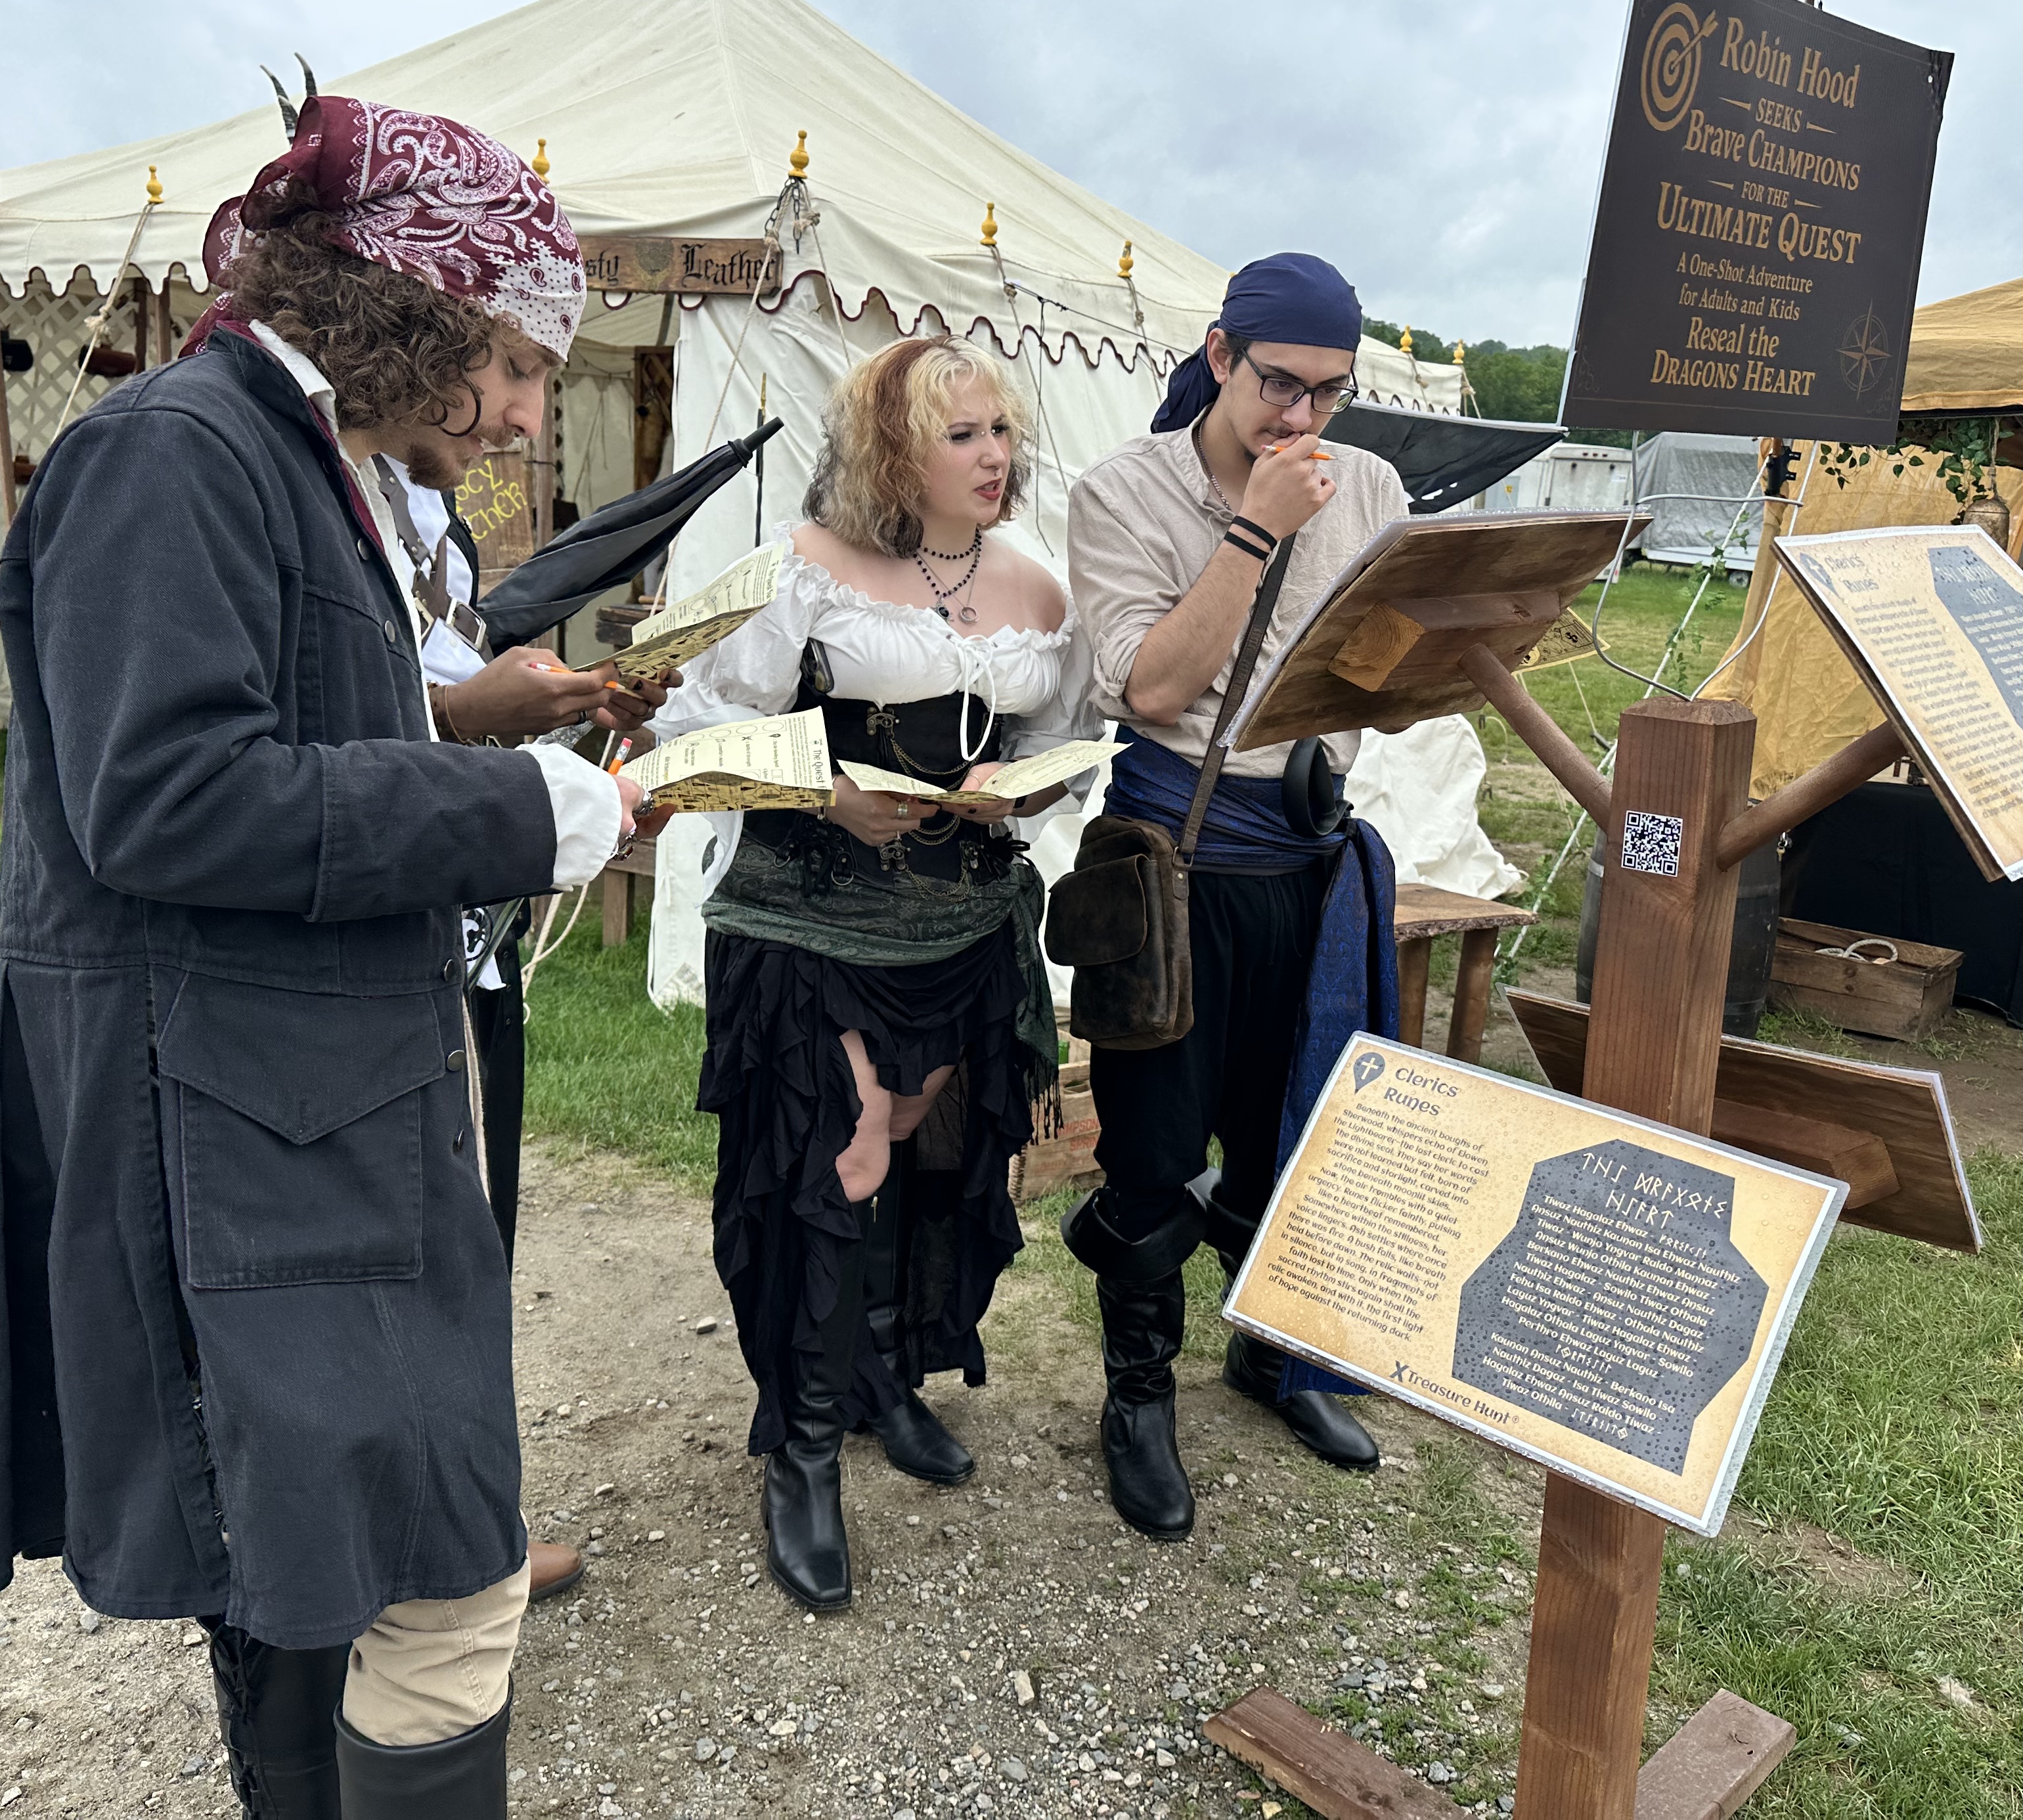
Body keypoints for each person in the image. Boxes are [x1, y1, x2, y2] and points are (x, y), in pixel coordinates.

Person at [0, 94, 667, 1820]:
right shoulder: (172, 454)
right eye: (503, 358)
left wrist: (503, 774)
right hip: (227, 1133)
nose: (513, 411)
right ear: (398, 304)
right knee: (308, 1584)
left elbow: (308, 741)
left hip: (316, 1106)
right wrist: (505, 814)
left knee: (392, 1567)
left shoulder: (296, 462)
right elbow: (168, 800)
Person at [647, 334, 1088, 1611]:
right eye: (964, 435)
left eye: (1002, 430)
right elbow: (693, 726)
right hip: (812, 924)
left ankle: (886, 1378)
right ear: (896, 450)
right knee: (832, 1172)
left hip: (958, 927)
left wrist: (1018, 798)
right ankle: (802, 1444)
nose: (995, 454)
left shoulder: (1033, 588)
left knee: (922, 1161)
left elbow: (1062, 738)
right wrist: (826, 791)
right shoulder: (805, 577)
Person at [1063, 252, 1404, 1542]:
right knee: (1154, 1151)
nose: (1301, 419)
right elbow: (1149, 688)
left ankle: (1272, 1359)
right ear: (1219, 357)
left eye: (1329, 392)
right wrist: (1258, 524)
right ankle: (1136, 1396)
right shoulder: (1125, 495)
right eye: (1278, 385)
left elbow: (1387, 661)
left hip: (1312, 863)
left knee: (1293, 1138)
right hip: (1172, 865)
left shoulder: (1368, 486)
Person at [372, 451, 613, 1608]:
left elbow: (449, 682)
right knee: (388, 1247)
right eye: (509, 369)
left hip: (467, 919)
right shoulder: (299, 482)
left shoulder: (424, 510)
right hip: (368, 935)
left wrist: (561, 704)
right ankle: (389, 1544)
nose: (524, 411)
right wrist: (470, 712)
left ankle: (470, 1528)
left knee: (480, 1229)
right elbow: (304, 723)